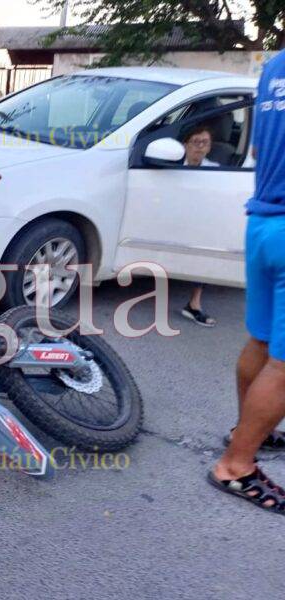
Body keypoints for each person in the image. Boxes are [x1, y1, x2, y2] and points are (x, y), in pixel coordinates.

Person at [210, 50, 285, 514]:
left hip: (262, 222)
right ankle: (237, 465)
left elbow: (258, 148)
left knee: (260, 340)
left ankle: (249, 431)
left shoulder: (276, 65)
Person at [180, 125, 218, 327]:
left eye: (205, 143)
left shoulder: (216, 171)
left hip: (197, 223)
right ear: (185, 144)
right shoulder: (172, 164)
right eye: (196, 142)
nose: (200, 147)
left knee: (209, 241)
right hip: (171, 218)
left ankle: (194, 304)